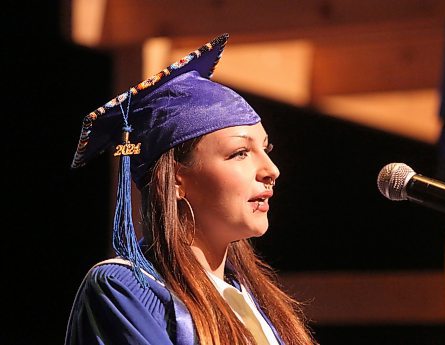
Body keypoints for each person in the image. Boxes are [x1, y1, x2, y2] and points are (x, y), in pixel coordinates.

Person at [65, 33, 317, 345]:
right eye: (240, 153)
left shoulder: (255, 301)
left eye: (266, 149)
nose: (271, 170)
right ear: (175, 180)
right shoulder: (128, 290)